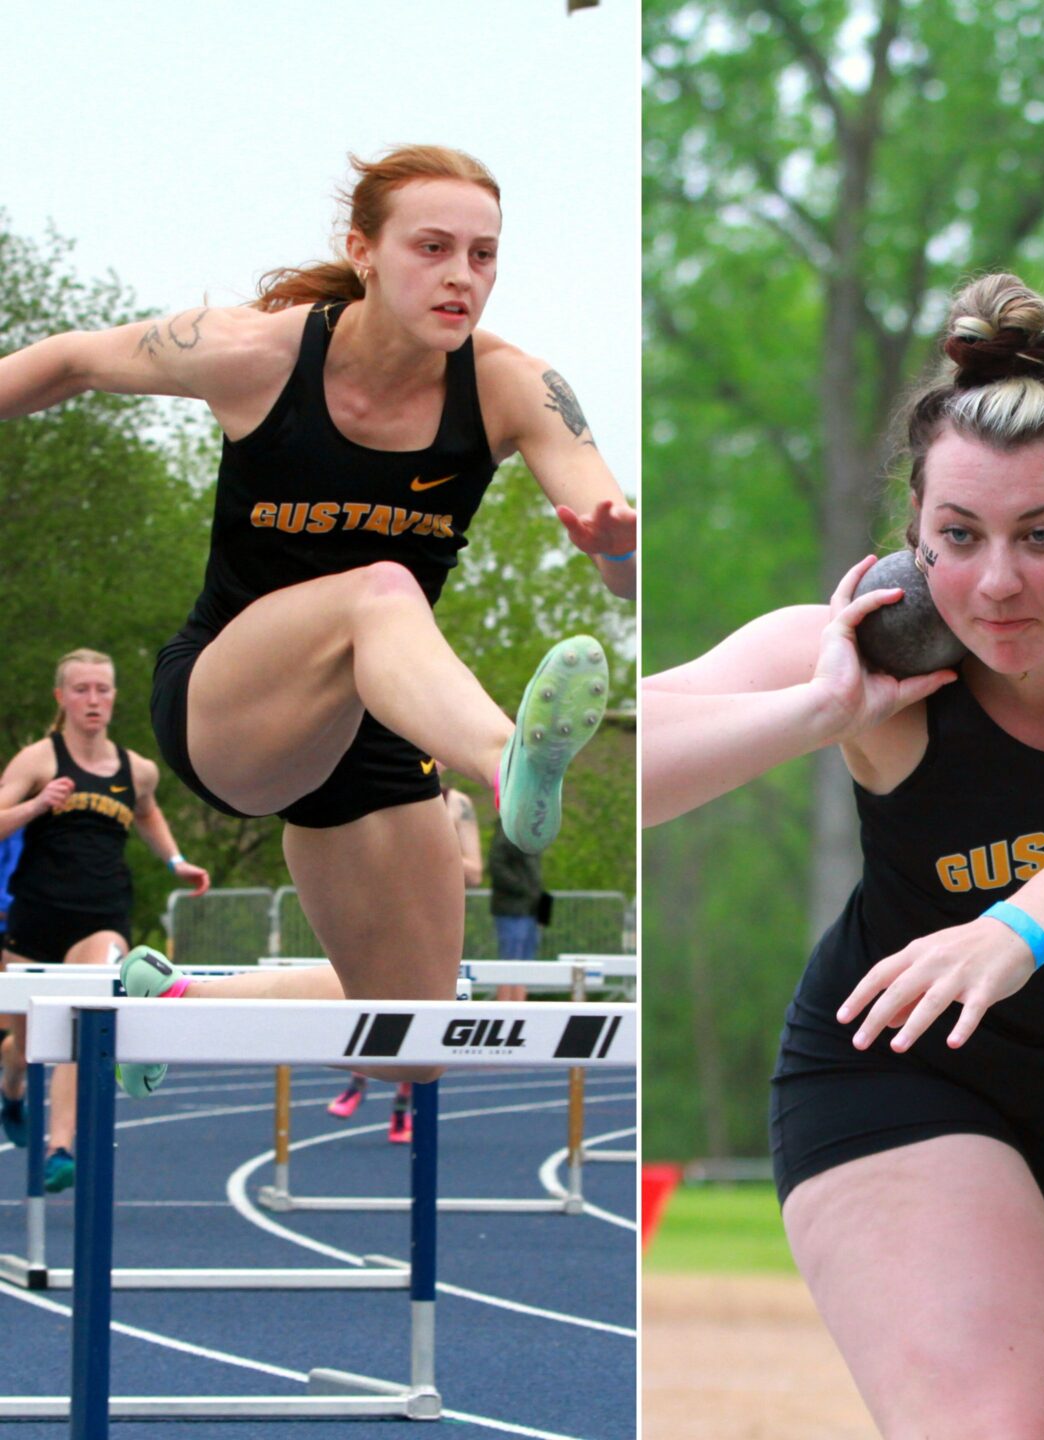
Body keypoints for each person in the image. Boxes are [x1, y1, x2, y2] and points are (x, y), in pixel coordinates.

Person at [640, 275, 1044, 1435]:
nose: (996, 583)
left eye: (1043, 537)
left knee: (1030, 1411)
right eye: (958, 537)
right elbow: (607, 758)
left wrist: (1012, 929)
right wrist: (813, 716)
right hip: (902, 1075)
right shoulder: (875, 659)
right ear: (913, 538)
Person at [0, 145, 634, 1099]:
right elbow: (74, 362)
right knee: (382, 591)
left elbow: (620, 566)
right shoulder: (257, 352)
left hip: (377, 725)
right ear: (364, 251)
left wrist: (618, 550)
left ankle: (168, 1009)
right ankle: (508, 759)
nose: (462, 276)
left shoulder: (512, 386)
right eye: (433, 247)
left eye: (484, 255)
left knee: (414, 1043)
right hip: (230, 705)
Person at [0, 649, 212, 1189]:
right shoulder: (37, 760)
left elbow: (147, 811)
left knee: (78, 1026)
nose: (93, 700)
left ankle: (60, 1148)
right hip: (34, 921)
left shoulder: (136, 768)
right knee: (26, 1048)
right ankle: (12, 1089)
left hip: (101, 919)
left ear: (115, 696)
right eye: (81, 690)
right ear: (62, 698)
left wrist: (175, 861)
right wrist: (36, 805)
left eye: (103, 689)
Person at [326, 777, 484, 1138]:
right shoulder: (383, 783)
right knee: (366, 999)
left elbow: (474, 871)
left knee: (421, 1017)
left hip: (430, 914)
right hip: (377, 905)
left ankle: (401, 1110)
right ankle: (358, 1083)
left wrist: (426, 847)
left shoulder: (457, 804)